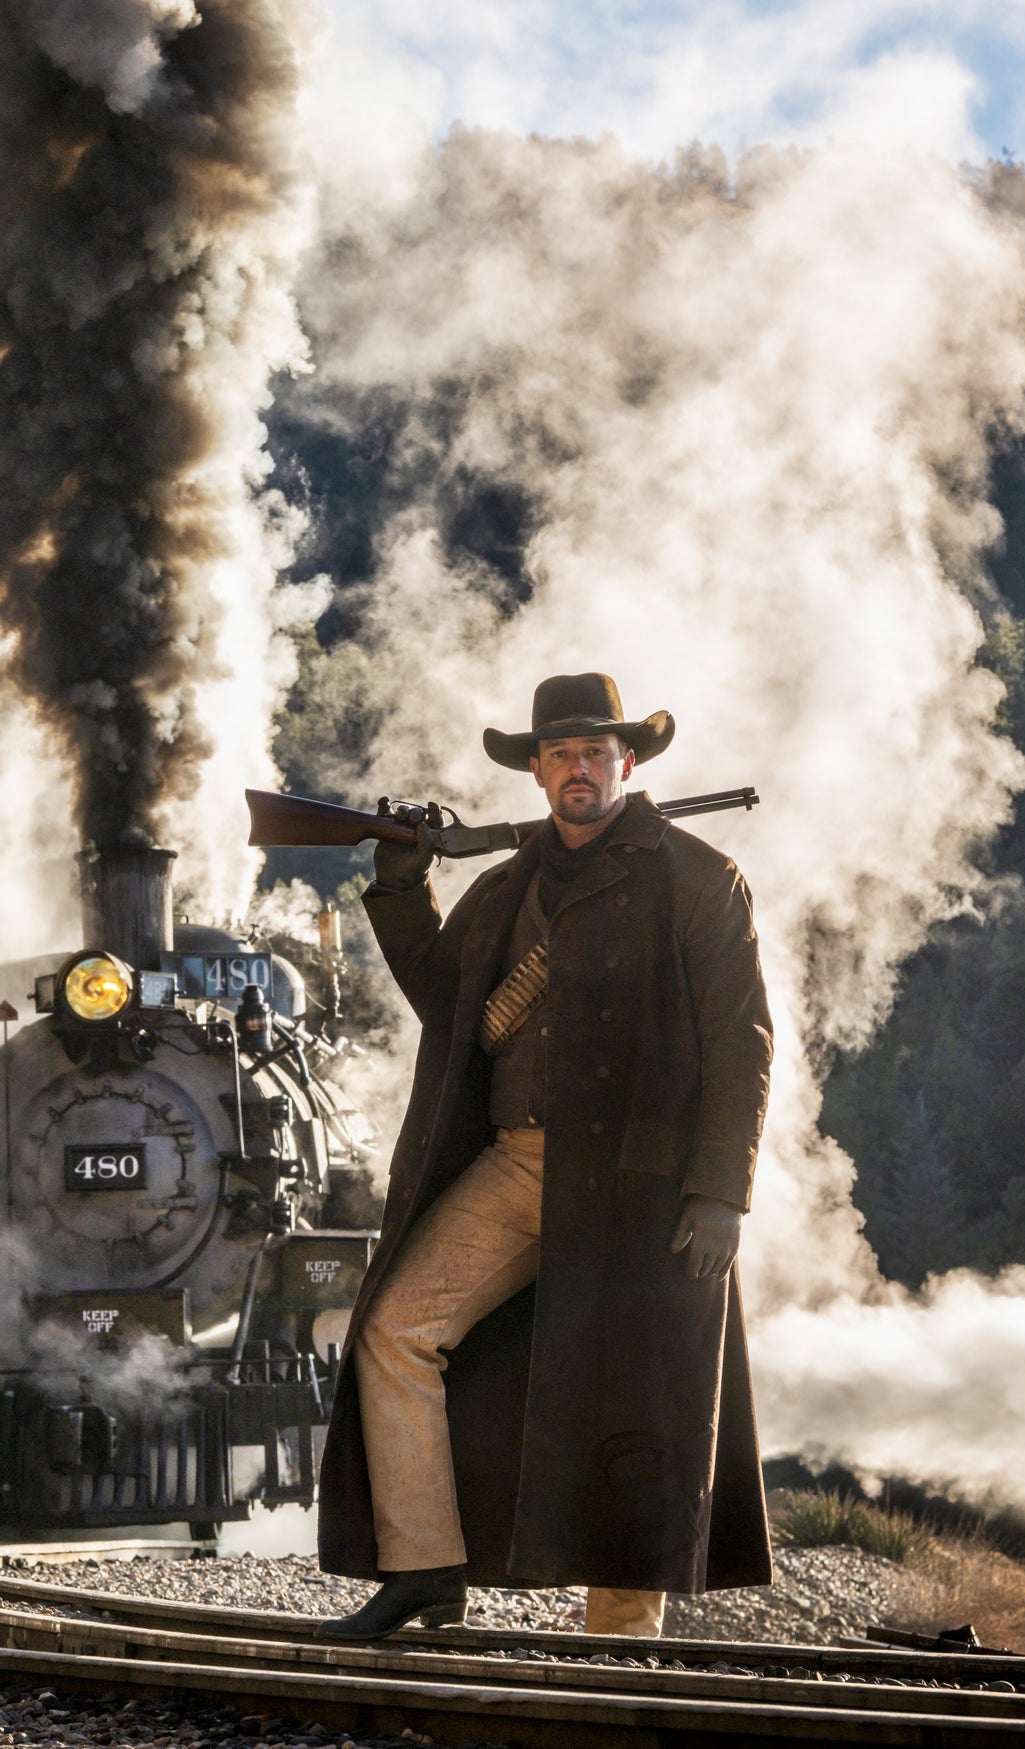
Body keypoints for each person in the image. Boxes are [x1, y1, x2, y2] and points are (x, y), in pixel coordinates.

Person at [315, 673, 773, 1642]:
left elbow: (742, 1041)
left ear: (628, 762)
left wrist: (719, 1190)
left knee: (633, 1407)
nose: (577, 767)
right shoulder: (503, 883)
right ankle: (424, 1566)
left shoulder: (696, 877)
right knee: (394, 1330)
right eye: (559, 752)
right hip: (521, 1160)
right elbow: (449, 1002)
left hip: (641, 1182)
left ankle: (619, 1637)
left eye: (594, 751)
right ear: (535, 769)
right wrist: (401, 884)